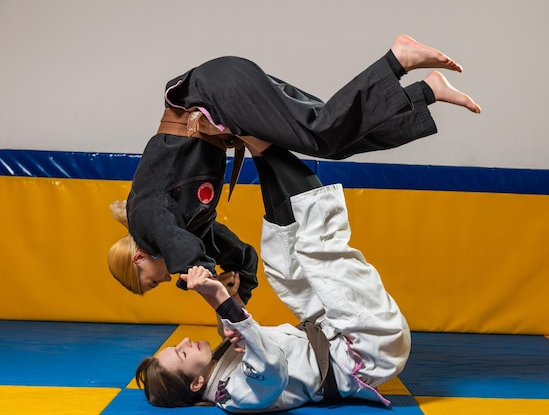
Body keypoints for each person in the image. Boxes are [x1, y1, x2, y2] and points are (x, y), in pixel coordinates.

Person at [108, 33, 480, 301]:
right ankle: (428, 91)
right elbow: (240, 255)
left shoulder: (145, 220)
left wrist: (213, 295)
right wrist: (238, 285)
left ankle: (396, 60)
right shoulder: (190, 227)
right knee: (339, 136)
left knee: (321, 134)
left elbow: (182, 251)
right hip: (227, 102)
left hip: (216, 91)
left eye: (150, 281)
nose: (161, 281)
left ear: (139, 258)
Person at [134, 139, 412, 411]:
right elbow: (271, 366)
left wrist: (228, 295)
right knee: (318, 249)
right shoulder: (236, 397)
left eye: (176, 344)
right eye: (182, 353)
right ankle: (268, 148)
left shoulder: (216, 364)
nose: (184, 342)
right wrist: (220, 297)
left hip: (330, 333)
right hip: (367, 350)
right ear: (197, 383)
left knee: (283, 266)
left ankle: (258, 148)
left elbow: (236, 332)